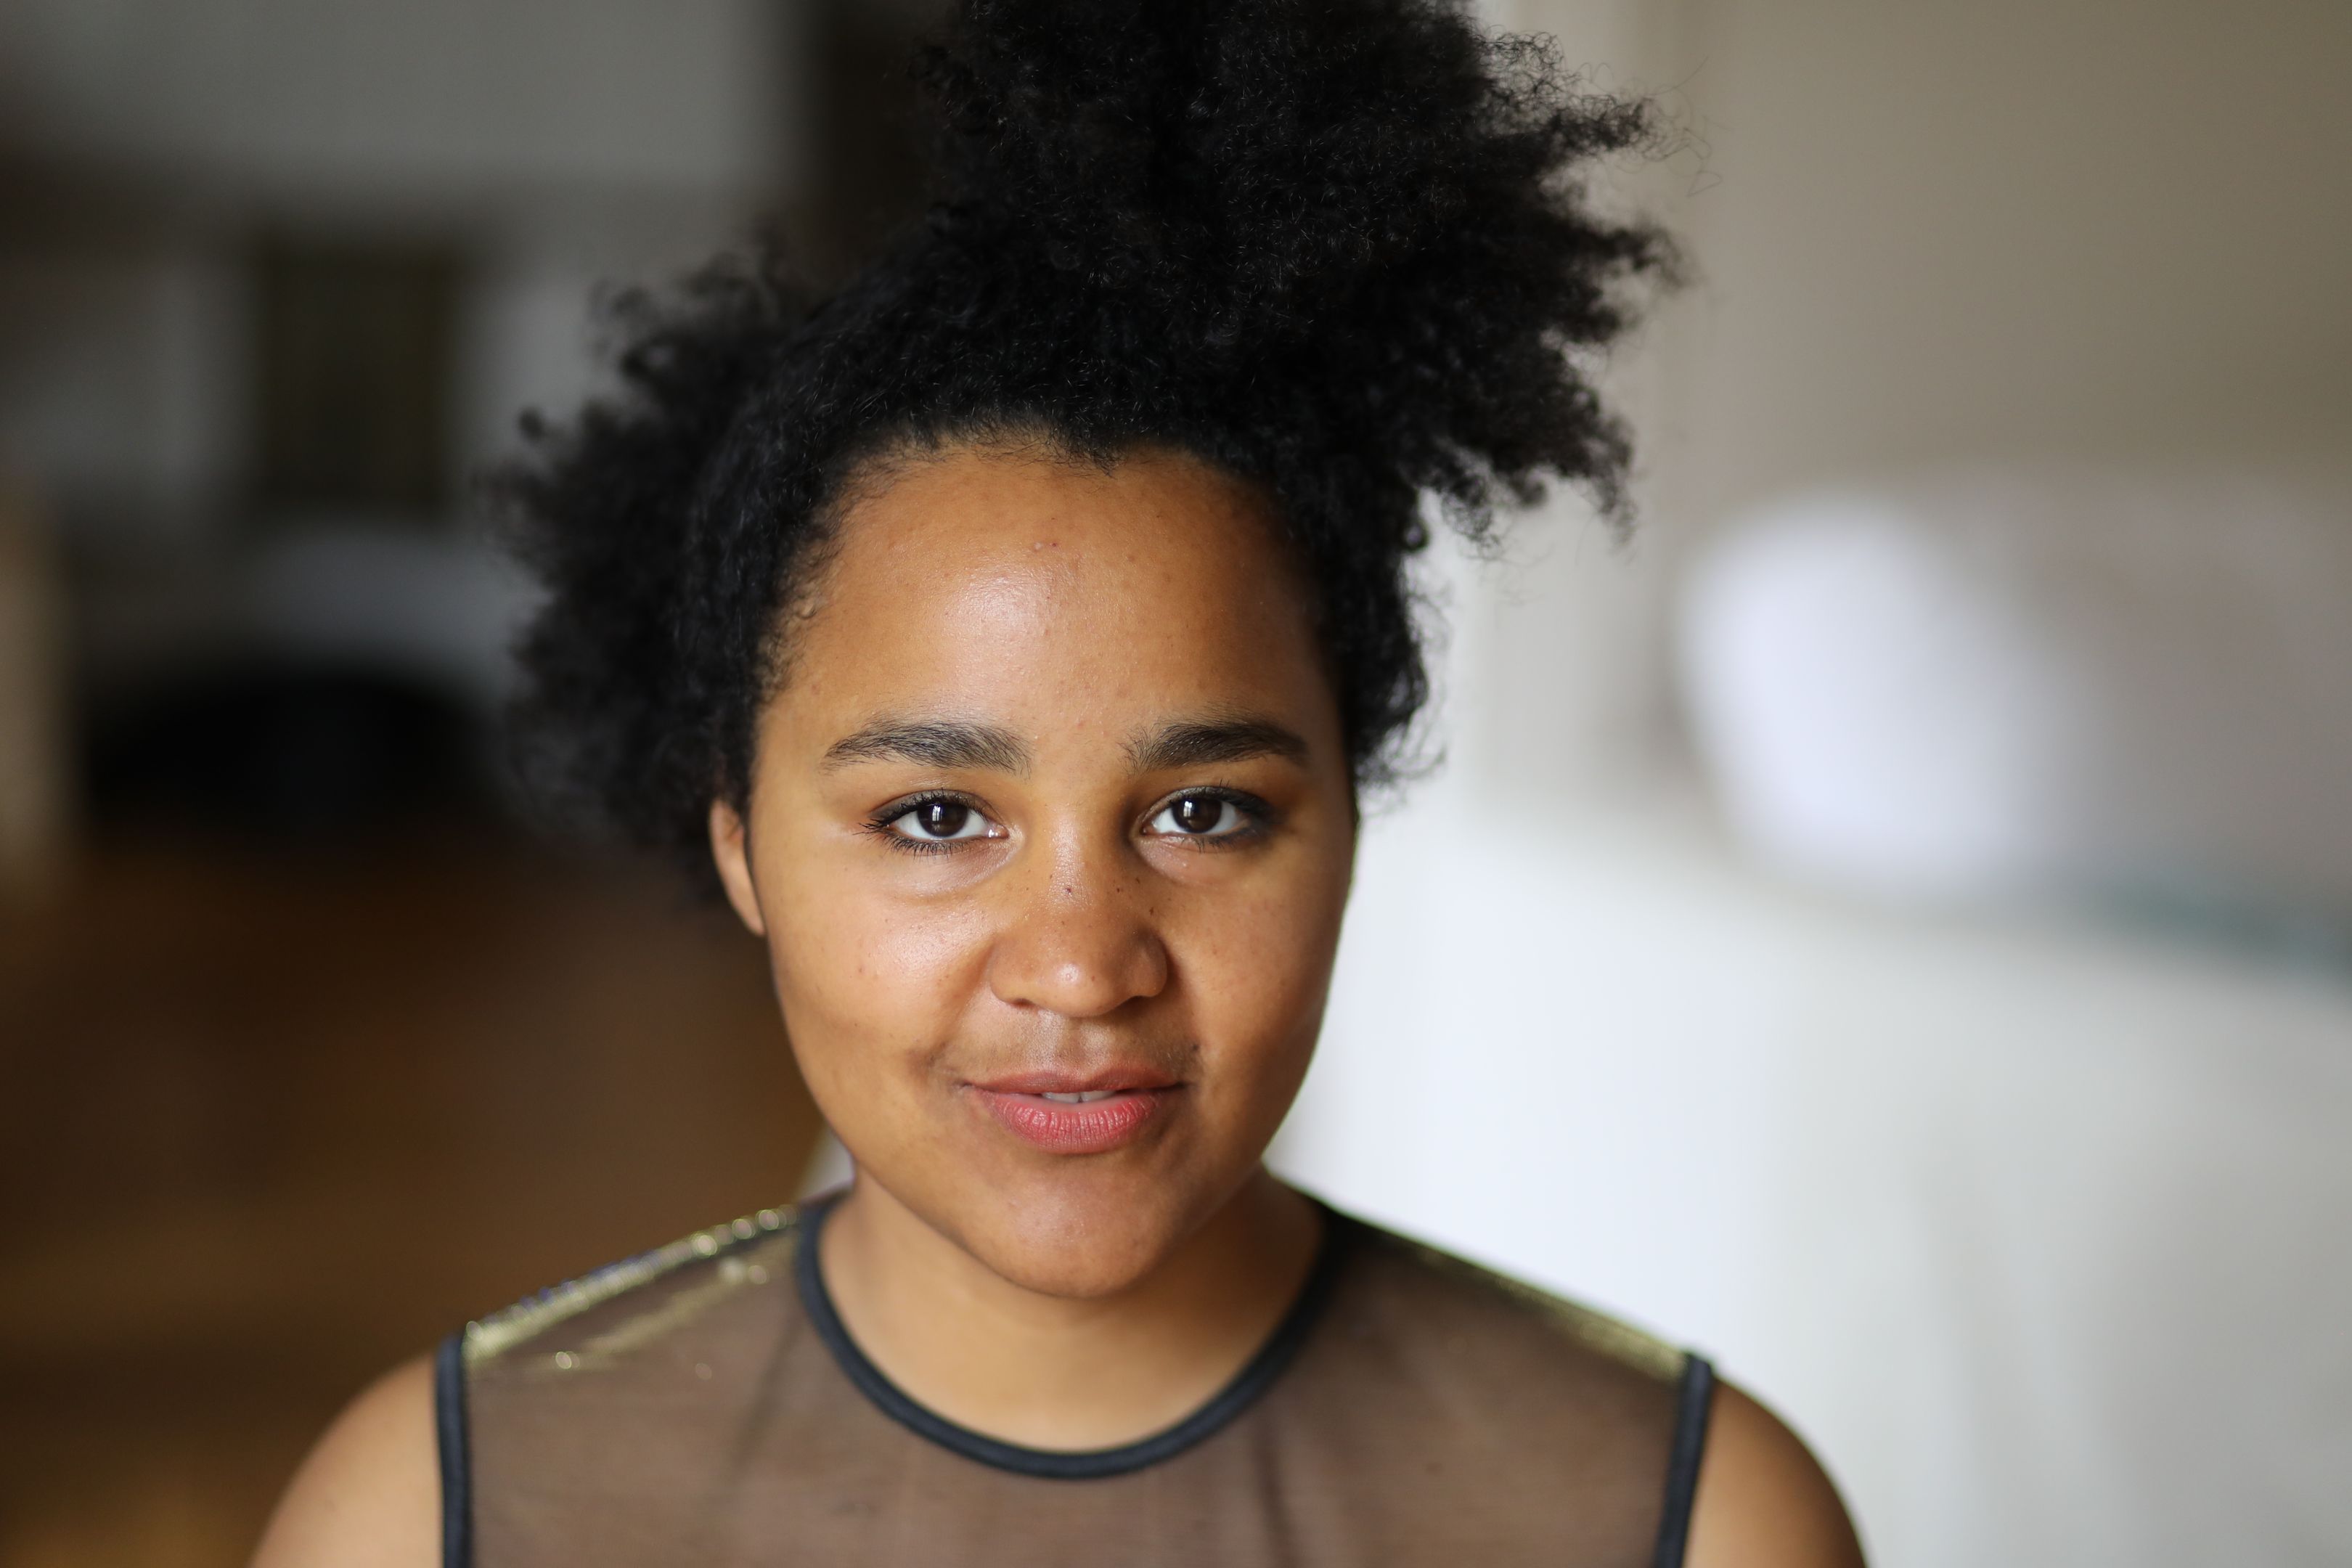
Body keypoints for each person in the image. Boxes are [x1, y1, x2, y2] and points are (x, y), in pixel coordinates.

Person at [258, 1, 1863, 1563]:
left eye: (1203, 812)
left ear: (1349, 828)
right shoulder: (435, 1514)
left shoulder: (1695, 1519)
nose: (1085, 966)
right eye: (937, 818)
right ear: (741, 850)